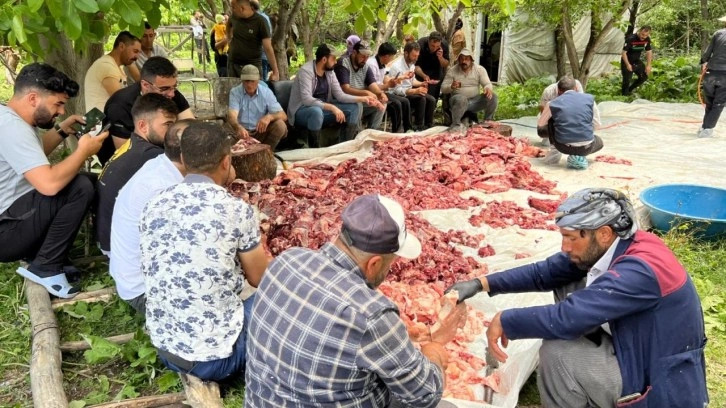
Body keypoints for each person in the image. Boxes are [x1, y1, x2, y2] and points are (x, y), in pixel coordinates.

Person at [446, 187, 708, 408]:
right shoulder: (613, 246)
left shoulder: (641, 270)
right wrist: (481, 284)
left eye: (571, 238)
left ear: (603, 233)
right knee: (569, 277)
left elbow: (567, 317)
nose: (564, 247)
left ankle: (587, 387)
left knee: (557, 353)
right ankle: (588, 384)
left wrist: (506, 319)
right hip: (631, 343)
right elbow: (546, 272)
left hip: (655, 381)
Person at [245, 194, 467, 407]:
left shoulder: (287, 260)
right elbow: (425, 395)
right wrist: (435, 349)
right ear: (374, 264)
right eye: (390, 264)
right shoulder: (372, 314)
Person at [140, 121, 269, 382]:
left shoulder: (154, 203)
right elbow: (260, 280)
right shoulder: (235, 210)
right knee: (279, 298)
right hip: (215, 360)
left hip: (166, 349)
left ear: (184, 159)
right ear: (226, 161)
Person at [0, 63, 109, 298]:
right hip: (6, 233)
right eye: (57, 104)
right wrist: (83, 152)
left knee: (88, 180)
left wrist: (62, 131)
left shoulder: (10, 118)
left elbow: (31, 158)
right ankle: (46, 267)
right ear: (32, 98)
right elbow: (49, 185)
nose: (61, 111)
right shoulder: (12, 128)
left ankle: (43, 252)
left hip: (13, 218)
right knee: (79, 186)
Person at [109, 120, 192, 315]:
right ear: (187, 156)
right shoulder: (166, 190)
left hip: (132, 279)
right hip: (144, 292)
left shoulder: (161, 164)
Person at [95, 94, 179, 255]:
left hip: (107, 239)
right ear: (143, 125)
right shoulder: (153, 156)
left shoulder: (133, 144)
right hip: (123, 249)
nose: (173, 131)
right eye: (168, 124)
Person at [101, 56, 195, 165]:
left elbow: (191, 128)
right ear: (145, 85)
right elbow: (127, 155)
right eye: (164, 89)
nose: (172, 94)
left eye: (174, 87)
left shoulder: (170, 93)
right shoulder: (119, 106)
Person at [288, 44, 375, 147]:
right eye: (333, 58)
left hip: (323, 109)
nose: (336, 61)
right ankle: (314, 150)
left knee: (355, 107)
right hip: (302, 110)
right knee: (316, 111)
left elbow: (340, 95)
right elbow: (307, 99)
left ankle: (344, 146)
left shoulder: (330, 72)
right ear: (324, 59)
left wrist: (363, 98)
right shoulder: (306, 71)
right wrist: (332, 107)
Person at [537, 77, 603, 169]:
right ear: (576, 88)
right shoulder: (589, 99)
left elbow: (541, 124)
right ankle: (579, 155)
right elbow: (597, 125)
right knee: (599, 142)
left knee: (551, 119)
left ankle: (553, 156)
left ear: (559, 90)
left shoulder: (552, 103)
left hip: (562, 146)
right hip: (586, 147)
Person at [228, 65, 288, 150]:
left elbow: (283, 115)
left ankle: (267, 152)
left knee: (280, 125)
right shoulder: (235, 92)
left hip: (260, 131)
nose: (249, 85)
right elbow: (232, 115)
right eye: (246, 81)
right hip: (241, 132)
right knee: (223, 135)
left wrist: (269, 117)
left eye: (252, 81)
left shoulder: (266, 92)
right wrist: (238, 127)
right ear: (242, 80)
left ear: (258, 80)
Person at [334, 40, 387, 131]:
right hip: (344, 100)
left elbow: (372, 84)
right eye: (363, 56)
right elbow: (345, 89)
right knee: (358, 104)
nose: (365, 59)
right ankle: (357, 133)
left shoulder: (365, 66)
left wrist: (380, 93)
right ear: (354, 53)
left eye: (367, 56)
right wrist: (366, 93)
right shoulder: (343, 63)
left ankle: (372, 132)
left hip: (361, 99)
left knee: (382, 103)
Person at [441, 48, 498, 130]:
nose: (464, 61)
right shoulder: (452, 71)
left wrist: (488, 88)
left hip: (475, 101)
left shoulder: (479, 69)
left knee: (493, 97)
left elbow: (487, 83)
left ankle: (488, 120)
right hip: (458, 101)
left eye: (466, 59)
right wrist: (451, 86)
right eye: (462, 59)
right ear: (458, 60)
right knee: (461, 98)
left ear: (471, 60)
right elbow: (443, 88)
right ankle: (456, 124)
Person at [84, 31, 141, 111]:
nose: (137, 57)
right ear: (121, 46)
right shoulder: (106, 66)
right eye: (135, 51)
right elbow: (122, 101)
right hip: (101, 123)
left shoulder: (115, 67)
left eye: (139, 53)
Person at [226, 0, 279, 80]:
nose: (232, 10)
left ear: (242, 8)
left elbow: (268, 48)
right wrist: (229, 39)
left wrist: (275, 72)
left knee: (253, 91)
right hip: (234, 64)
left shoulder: (261, 22)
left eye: (233, 7)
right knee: (234, 91)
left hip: (253, 65)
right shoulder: (234, 16)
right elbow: (228, 25)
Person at [389, 41, 436, 131]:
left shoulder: (411, 65)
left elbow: (412, 81)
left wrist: (421, 83)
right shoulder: (396, 67)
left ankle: (428, 125)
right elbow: (396, 90)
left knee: (432, 100)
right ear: (406, 53)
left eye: (417, 56)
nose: (416, 58)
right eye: (414, 56)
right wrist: (415, 91)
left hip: (409, 91)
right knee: (421, 98)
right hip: (399, 93)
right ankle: (418, 126)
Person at [366, 42, 412, 133]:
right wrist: (388, 85)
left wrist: (399, 78)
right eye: (392, 57)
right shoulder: (371, 64)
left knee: (405, 101)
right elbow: (372, 86)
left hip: (381, 90)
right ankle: (396, 131)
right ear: (386, 56)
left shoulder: (381, 64)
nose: (392, 59)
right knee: (396, 104)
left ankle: (408, 129)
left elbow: (384, 78)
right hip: (373, 92)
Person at [697, 15, 726, 138]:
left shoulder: (718, 33)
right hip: (724, 74)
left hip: (711, 72)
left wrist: (704, 63)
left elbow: (707, 53)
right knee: (718, 103)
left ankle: (704, 127)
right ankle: (707, 129)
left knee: (710, 102)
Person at [415, 31, 450, 102]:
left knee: (433, 95)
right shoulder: (420, 44)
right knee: (421, 95)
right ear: (428, 41)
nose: (434, 48)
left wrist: (440, 58)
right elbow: (415, 66)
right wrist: (424, 76)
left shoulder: (444, 45)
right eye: (432, 46)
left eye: (437, 46)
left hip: (436, 70)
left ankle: (431, 110)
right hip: (421, 69)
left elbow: (445, 64)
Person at [621, 26, 653, 96]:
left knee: (644, 76)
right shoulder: (631, 38)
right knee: (626, 81)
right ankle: (624, 96)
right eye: (642, 34)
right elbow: (624, 53)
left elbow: (649, 52)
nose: (644, 37)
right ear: (639, 31)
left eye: (646, 35)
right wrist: (627, 64)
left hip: (636, 61)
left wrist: (648, 65)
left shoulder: (647, 39)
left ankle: (630, 90)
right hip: (627, 61)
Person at [250, 0, 273, 80]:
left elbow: (266, 43)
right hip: (253, 58)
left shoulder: (262, 19)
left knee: (261, 84)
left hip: (260, 58)